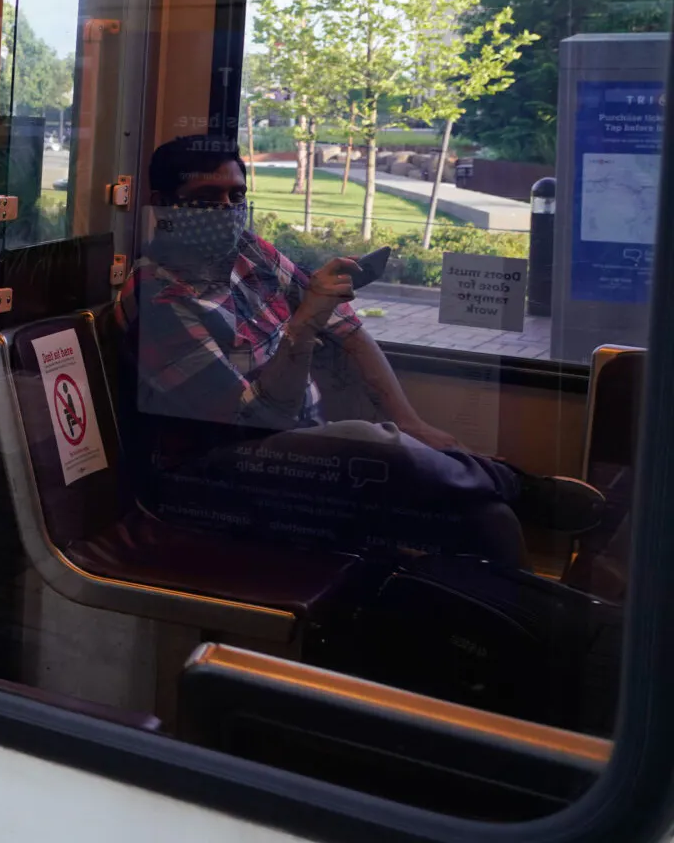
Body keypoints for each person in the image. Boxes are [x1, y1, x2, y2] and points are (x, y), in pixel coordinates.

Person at [122, 134, 601, 566]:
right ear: (163, 205)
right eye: (206, 199)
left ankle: (519, 620)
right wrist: (306, 322)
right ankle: (514, 483)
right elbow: (257, 419)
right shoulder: (160, 297)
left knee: (483, 517)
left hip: (303, 443)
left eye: (236, 196)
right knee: (369, 445)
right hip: (215, 474)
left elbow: (349, 330)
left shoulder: (250, 251)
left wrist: (411, 421)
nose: (227, 210)